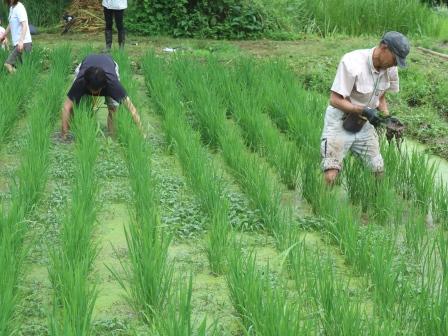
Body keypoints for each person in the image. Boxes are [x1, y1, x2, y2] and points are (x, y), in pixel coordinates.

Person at [320, 31, 410, 185]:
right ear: (383, 47)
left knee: (377, 172)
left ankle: (375, 205)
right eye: (395, 59)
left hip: (364, 124)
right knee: (331, 174)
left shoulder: (391, 69)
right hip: (340, 121)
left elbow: (381, 97)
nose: (395, 64)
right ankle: (323, 205)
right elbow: (335, 100)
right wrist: (362, 110)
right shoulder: (352, 62)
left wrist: (387, 117)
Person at [61, 53, 142, 140]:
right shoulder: (81, 81)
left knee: (113, 108)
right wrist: (64, 135)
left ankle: (112, 136)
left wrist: (142, 132)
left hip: (110, 65)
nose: (94, 94)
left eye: (97, 91)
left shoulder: (113, 84)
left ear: (103, 86)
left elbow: (131, 109)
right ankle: (69, 131)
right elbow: (66, 107)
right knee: (75, 106)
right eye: (91, 90)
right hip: (86, 64)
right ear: (87, 86)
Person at [0, 0, 32, 73]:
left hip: (24, 43)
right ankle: (22, 79)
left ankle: (19, 77)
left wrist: (21, 42)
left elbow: (25, 25)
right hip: (16, 43)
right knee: (20, 67)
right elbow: (10, 24)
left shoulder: (19, 7)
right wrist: (3, 36)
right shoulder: (12, 8)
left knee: (7, 64)